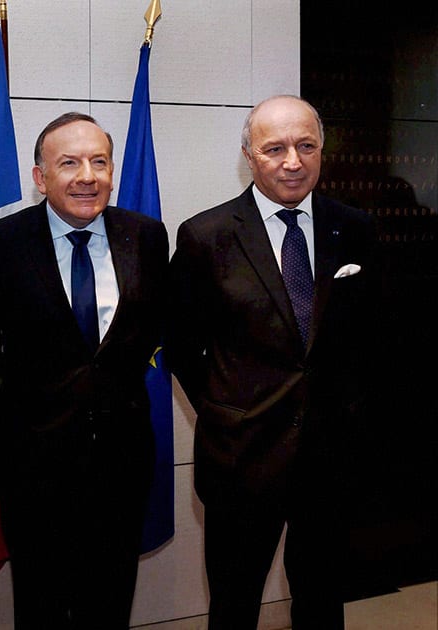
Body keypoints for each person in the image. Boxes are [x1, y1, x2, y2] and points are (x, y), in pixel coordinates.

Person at [166, 95, 377, 629]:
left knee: (323, 599)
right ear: (248, 155)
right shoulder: (205, 236)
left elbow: (372, 335)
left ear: (322, 151)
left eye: (307, 146)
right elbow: (182, 343)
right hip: (242, 456)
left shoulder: (353, 227)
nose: (293, 161)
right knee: (235, 604)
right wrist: (224, 408)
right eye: (275, 148)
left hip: (331, 454)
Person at [0, 112, 168, 628]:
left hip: (122, 467)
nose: (88, 175)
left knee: (108, 608)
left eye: (99, 161)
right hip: (34, 470)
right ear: (40, 178)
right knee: (39, 609)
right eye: (69, 163)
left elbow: (148, 333)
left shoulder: (146, 236)